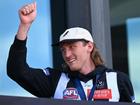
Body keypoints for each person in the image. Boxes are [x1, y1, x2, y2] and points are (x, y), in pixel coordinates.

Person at [7, 2, 135, 102]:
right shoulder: (55, 80)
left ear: (89, 47)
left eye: (72, 47)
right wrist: (24, 26)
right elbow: (17, 71)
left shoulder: (118, 80)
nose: (67, 55)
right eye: (63, 50)